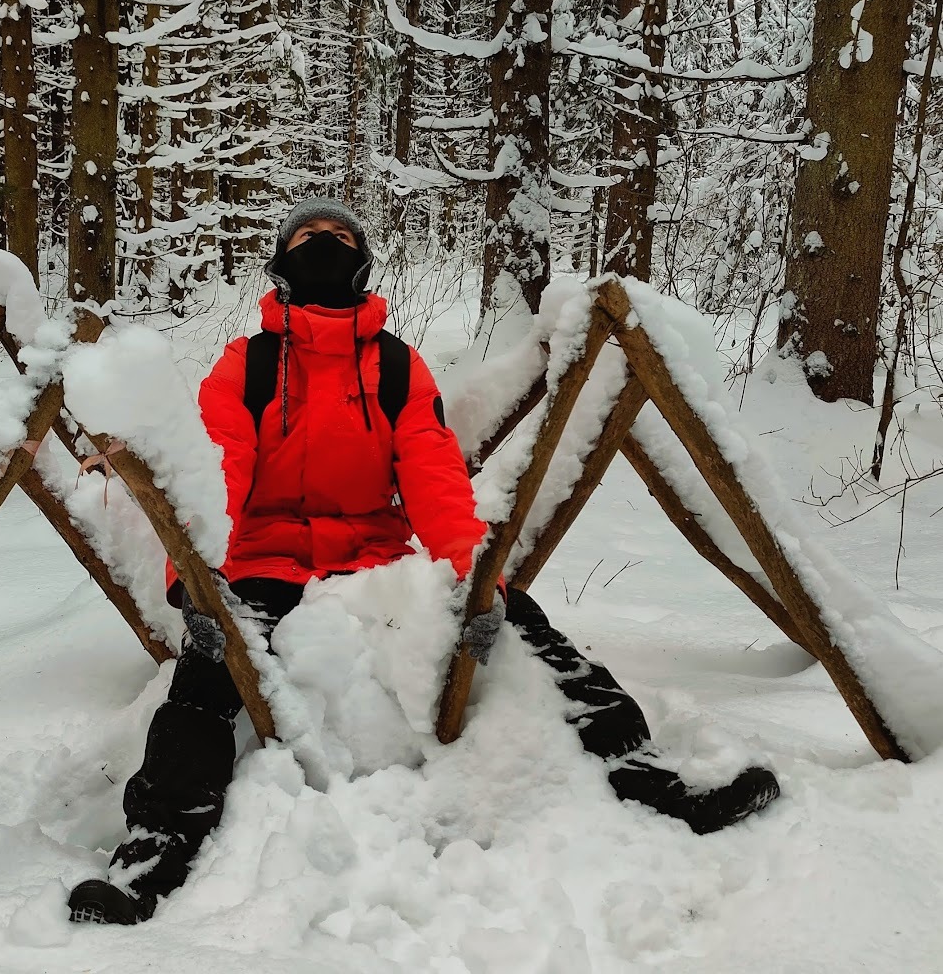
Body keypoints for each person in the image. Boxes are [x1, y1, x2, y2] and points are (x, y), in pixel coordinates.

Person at [67, 199, 780, 926]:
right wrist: (196, 580)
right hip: (265, 557)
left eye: (341, 238)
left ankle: (645, 774)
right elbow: (219, 473)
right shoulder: (244, 365)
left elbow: (436, 482)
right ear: (282, 264)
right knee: (205, 678)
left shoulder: (396, 366)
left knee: (529, 632)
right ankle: (152, 855)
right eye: (309, 238)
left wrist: (481, 584)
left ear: (363, 264)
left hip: (376, 561)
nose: (325, 246)